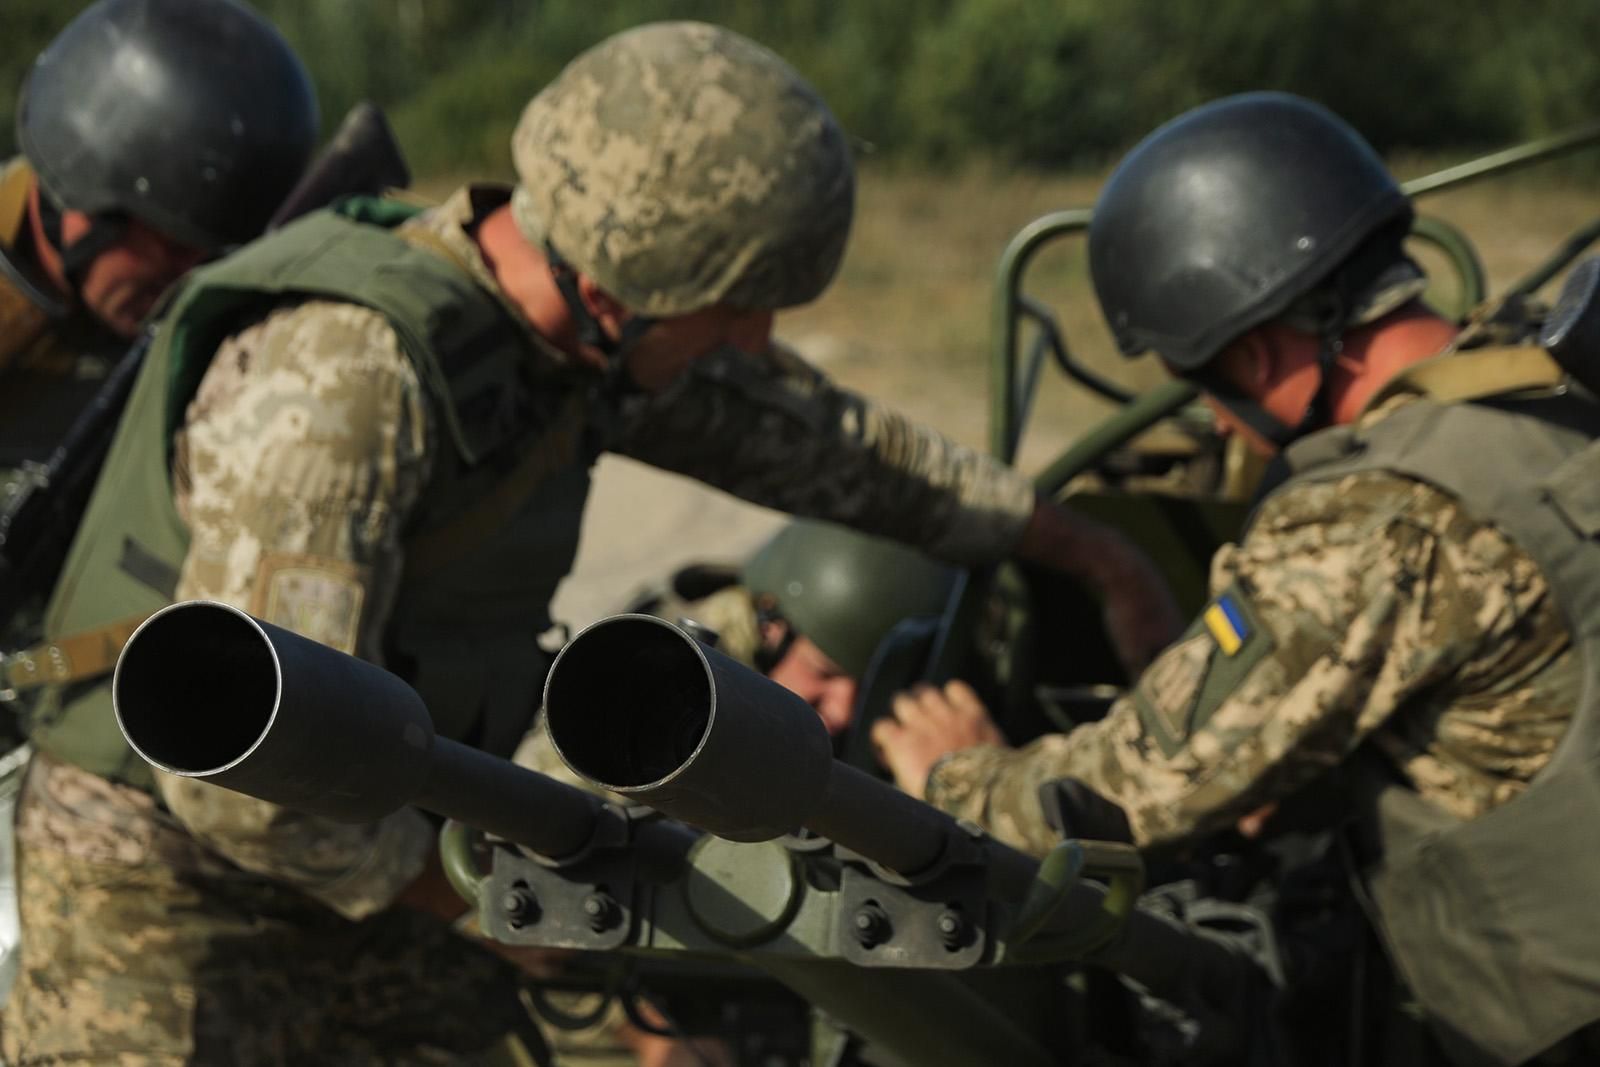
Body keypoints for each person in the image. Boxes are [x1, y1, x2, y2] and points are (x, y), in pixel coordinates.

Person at [5, 20, 1179, 1066]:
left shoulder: (577, 346)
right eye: (739, 304)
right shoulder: (347, 376)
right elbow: (246, 788)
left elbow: (831, 446)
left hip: (384, 863)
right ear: (635, 285)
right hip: (166, 897)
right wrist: (489, 902)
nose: (755, 335)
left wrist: (1085, 549)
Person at [873, 90, 1600, 1065]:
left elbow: (1128, 789)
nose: (1220, 426)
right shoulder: (1555, 386)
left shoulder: (1373, 520)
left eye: (1210, 386)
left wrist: (955, 775)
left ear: (1257, 352)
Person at [0, 0, 317, 1014]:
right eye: (173, 245)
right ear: (80, 198)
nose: (195, 280)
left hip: (97, 748)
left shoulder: (229, 307)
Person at [630, 518, 959, 736]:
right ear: (770, 627)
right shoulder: (666, 677)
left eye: (870, 687)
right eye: (825, 673)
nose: (842, 713)